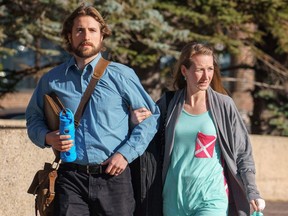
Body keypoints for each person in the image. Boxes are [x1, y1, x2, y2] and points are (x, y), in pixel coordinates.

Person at [26, 4, 159, 216]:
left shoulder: (121, 75)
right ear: (69, 36)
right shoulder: (52, 80)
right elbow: (33, 118)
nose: (85, 36)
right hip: (70, 178)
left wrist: (125, 155)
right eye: (79, 30)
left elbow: (152, 119)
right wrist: (48, 137)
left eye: (92, 30)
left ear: (102, 36)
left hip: (114, 178)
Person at [131, 42, 265, 216]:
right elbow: (146, 139)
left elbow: (243, 154)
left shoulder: (224, 105)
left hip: (211, 198)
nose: (206, 76)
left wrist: (252, 190)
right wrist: (135, 123)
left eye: (210, 69)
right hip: (173, 199)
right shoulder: (168, 104)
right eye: (200, 69)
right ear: (184, 71)